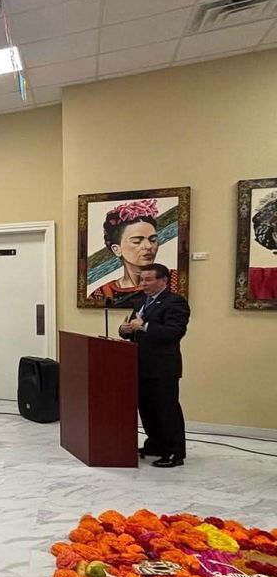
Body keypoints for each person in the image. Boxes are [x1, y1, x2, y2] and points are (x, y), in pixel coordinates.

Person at [118, 263, 190, 468]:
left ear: (163, 280)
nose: (144, 284)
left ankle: (174, 452)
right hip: (140, 364)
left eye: (148, 279)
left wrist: (145, 326)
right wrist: (124, 330)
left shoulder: (175, 302)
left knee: (166, 409)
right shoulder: (141, 301)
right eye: (142, 279)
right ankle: (156, 444)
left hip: (162, 366)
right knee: (147, 409)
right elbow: (133, 330)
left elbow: (174, 332)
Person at [91, 199, 169, 304]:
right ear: (117, 249)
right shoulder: (101, 294)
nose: (148, 246)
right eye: (137, 241)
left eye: (153, 240)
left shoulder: (172, 279)